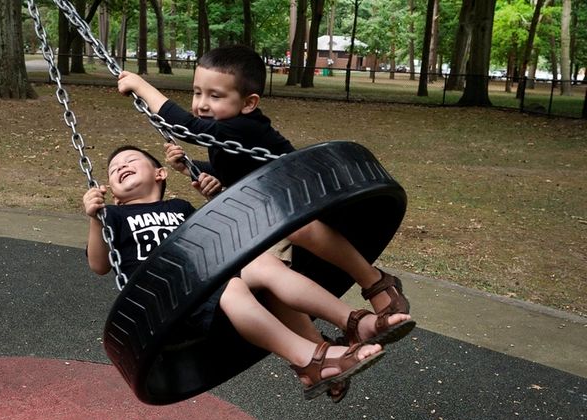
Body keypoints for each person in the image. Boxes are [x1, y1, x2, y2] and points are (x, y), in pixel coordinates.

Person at [116, 45, 414, 348]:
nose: (202, 105)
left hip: (307, 204)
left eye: (215, 96)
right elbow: (241, 173)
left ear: (249, 103)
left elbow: (188, 128)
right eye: (197, 93)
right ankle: (320, 352)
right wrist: (194, 170)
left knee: (298, 228)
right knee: (270, 279)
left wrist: (141, 85)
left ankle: (376, 283)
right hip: (271, 219)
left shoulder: (244, 127)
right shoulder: (223, 130)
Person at [83, 145, 397, 401]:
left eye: (131, 160)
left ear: (160, 173)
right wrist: (96, 219)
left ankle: (354, 321)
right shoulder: (114, 216)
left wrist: (215, 196)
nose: (121, 165)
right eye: (114, 169)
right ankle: (311, 358)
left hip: (207, 282)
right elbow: (99, 265)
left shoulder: (180, 208)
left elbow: (221, 239)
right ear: (111, 192)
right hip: (167, 306)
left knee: (263, 265)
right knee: (233, 286)